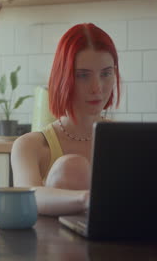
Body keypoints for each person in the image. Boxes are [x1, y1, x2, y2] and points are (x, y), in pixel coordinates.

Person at [11, 23, 121, 216]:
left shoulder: (127, 140)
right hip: (52, 245)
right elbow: (29, 197)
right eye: (83, 76)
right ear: (63, 78)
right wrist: (89, 199)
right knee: (72, 167)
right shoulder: (30, 146)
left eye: (106, 73)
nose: (97, 88)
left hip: (117, 245)